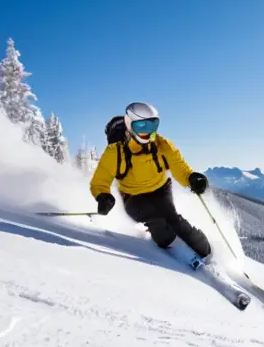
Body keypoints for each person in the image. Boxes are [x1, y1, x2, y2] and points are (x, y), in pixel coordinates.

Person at [89, 102, 212, 259]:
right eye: (142, 126)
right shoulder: (115, 152)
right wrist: (103, 196)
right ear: (129, 125)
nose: (149, 133)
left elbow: (179, 167)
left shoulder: (162, 145)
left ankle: (206, 253)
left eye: (153, 125)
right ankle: (168, 245)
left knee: (174, 219)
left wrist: (191, 178)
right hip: (133, 197)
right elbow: (100, 181)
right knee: (159, 224)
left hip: (160, 189)